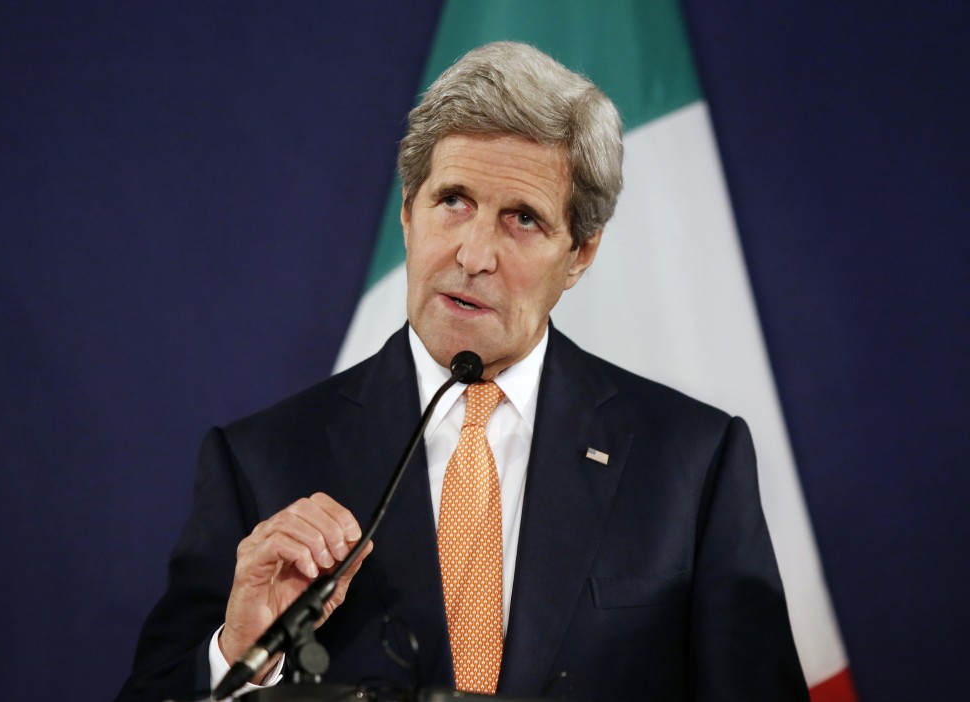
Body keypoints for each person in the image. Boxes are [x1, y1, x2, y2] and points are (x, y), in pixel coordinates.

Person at [117, 42, 808, 702]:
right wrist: (239, 651)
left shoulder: (690, 461)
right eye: (453, 201)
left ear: (581, 253)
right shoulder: (261, 462)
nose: (475, 254)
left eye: (523, 220)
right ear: (408, 214)